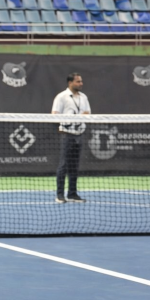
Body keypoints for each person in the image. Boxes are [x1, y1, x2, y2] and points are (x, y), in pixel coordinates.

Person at [51, 73, 91, 204]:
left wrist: (80, 116)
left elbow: (87, 113)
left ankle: (72, 194)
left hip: (79, 135)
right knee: (63, 165)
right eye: (78, 82)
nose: (81, 84)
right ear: (70, 83)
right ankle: (60, 195)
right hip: (67, 135)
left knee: (74, 166)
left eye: (81, 81)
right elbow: (54, 115)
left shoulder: (83, 97)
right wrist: (66, 123)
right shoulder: (61, 97)